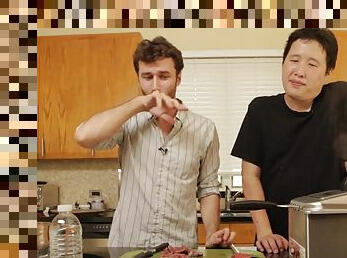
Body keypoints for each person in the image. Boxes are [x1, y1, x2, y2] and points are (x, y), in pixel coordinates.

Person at [75, 36, 235, 248]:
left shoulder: (204, 129)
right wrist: (140, 103)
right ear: (139, 78)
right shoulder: (128, 122)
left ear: (178, 78)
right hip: (127, 246)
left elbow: (207, 188)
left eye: (164, 76)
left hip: (179, 248)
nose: (155, 86)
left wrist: (212, 233)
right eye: (147, 77)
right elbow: (83, 136)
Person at [231, 28, 347, 254]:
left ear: (328, 71)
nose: (299, 71)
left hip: (330, 236)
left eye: (312, 64)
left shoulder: (338, 103)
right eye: (294, 60)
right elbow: (250, 175)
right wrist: (265, 232)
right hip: (275, 239)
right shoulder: (261, 110)